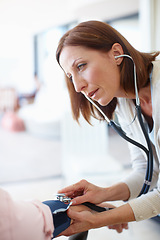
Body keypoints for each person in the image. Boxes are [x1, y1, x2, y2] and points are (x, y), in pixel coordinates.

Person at [55, 20, 160, 236]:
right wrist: (102, 194)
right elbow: (146, 170)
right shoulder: (124, 102)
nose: (77, 86)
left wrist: (100, 219)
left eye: (81, 66)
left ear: (116, 54)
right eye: (70, 76)